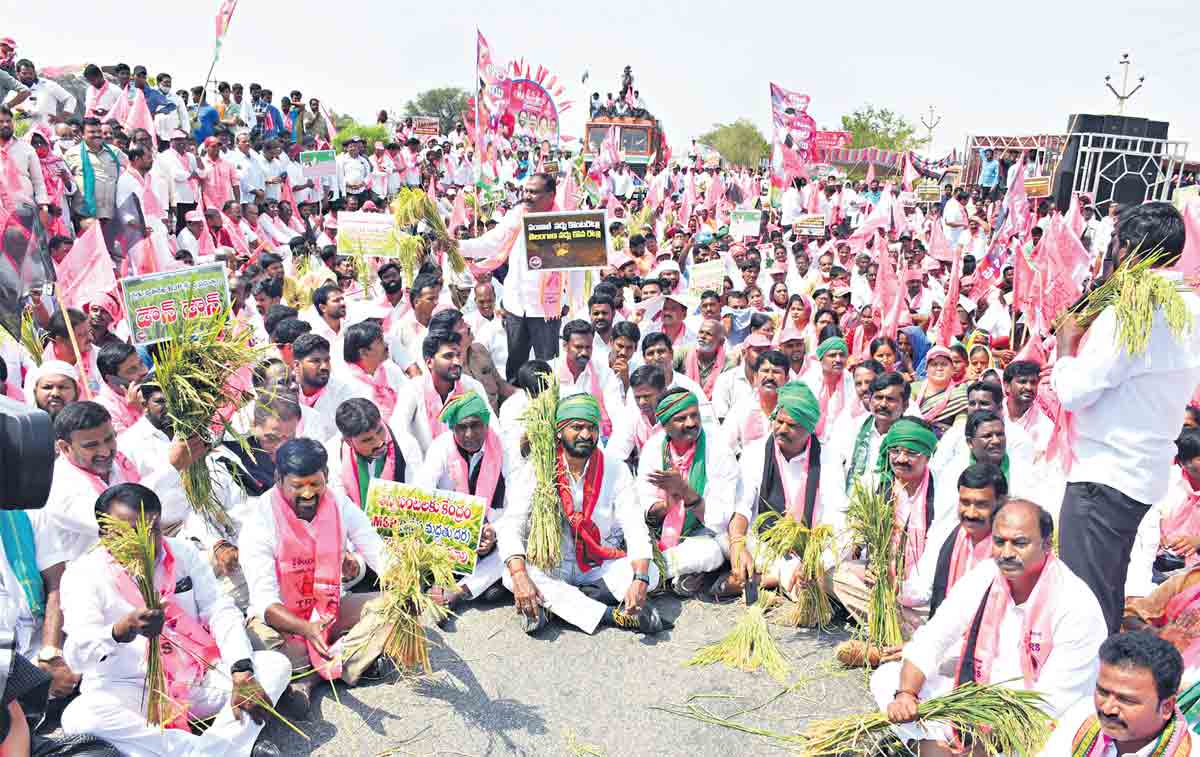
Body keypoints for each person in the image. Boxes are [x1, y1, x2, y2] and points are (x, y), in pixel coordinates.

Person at [1054, 202, 1200, 634]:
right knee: (1106, 591)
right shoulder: (1190, 306)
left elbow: (1074, 391)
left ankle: (1090, 692)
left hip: (1104, 477)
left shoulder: (1132, 311)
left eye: (1116, 246)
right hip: (1142, 474)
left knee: (1085, 604)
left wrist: (1065, 347)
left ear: (1131, 250)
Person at [60, 483, 290, 756]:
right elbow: (76, 657)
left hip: (196, 677)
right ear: (105, 535)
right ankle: (213, 750)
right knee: (79, 717)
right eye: (130, 533)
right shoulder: (81, 575)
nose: (145, 541)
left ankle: (211, 750)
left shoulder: (181, 552)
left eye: (152, 530)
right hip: (132, 687)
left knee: (274, 665)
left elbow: (219, 610)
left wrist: (241, 670)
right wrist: (121, 630)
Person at [873, 500, 1107, 752]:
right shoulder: (986, 574)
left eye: (1019, 543)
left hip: (1032, 723)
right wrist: (906, 695)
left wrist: (984, 744)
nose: (1006, 553)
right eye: (999, 541)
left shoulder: (1076, 603)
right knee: (887, 678)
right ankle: (931, 746)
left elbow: (1052, 703)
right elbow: (933, 638)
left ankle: (927, 747)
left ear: (1047, 544)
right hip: (977, 703)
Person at [240, 438, 396, 717]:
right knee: (260, 645)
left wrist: (404, 582)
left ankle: (309, 678)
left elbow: (375, 550)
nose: (308, 494)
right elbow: (264, 601)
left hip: (330, 610)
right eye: (297, 486)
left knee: (396, 606)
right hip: (283, 625)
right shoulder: (259, 519)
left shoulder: (339, 505)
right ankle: (345, 661)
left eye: (316, 484)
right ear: (278, 480)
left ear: (326, 476)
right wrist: (305, 628)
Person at [497, 394, 666, 634]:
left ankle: (558, 606)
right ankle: (610, 615)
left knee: (651, 572)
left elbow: (635, 526)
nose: (586, 435)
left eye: (591, 428)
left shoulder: (615, 469)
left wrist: (639, 580)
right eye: (577, 427)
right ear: (559, 431)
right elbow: (512, 524)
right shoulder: (538, 469)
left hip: (599, 563)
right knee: (510, 574)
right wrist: (520, 575)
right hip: (553, 563)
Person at [720, 382, 846, 599]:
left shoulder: (829, 457)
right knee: (724, 536)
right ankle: (780, 577)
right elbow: (742, 506)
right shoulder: (755, 452)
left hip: (811, 545)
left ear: (809, 429)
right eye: (779, 421)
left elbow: (836, 515)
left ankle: (765, 579)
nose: (782, 429)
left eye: (792, 425)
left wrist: (816, 560)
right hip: (765, 543)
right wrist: (737, 544)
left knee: (834, 559)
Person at [42, 401, 201, 562]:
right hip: (101, 580)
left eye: (109, 439)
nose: (104, 451)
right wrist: (171, 467)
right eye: (91, 446)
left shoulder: (120, 459)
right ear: (64, 447)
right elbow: (120, 520)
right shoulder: (58, 486)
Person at [833, 417, 939, 635]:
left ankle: (892, 624)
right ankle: (895, 623)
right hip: (879, 585)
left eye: (911, 453)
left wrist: (900, 587)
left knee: (933, 612)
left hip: (920, 593)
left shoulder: (941, 493)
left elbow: (936, 563)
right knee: (833, 573)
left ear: (927, 455)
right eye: (895, 451)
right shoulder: (877, 486)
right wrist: (868, 565)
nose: (901, 459)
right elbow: (853, 535)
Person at [458, 173, 565, 382]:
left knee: (548, 367)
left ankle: (547, 407)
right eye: (526, 190)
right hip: (516, 306)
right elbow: (491, 243)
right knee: (515, 367)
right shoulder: (516, 215)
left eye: (534, 192)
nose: (527, 195)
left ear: (551, 195)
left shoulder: (564, 221)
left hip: (547, 309)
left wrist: (567, 300)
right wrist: (457, 246)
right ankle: (512, 407)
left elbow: (578, 269)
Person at [415, 391, 513, 609]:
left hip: (492, 532)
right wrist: (458, 527)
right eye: (461, 427)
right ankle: (451, 579)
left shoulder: (504, 447)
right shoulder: (441, 446)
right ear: (452, 428)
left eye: (476, 425)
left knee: (517, 544)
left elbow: (515, 505)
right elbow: (423, 493)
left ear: (486, 423)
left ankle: (459, 590)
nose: (469, 434)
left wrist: (493, 532)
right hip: (449, 534)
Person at [637, 388, 738, 598]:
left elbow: (720, 519)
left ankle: (649, 573)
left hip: (705, 532)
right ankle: (674, 576)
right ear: (664, 425)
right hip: (661, 534)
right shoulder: (653, 449)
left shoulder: (717, 447)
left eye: (695, 415)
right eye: (681, 418)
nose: (691, 423)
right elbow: (644, 504)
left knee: (713, 552)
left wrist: (685, 492)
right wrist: (667, 506)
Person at [1037, 631, 1196, 756]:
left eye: (1126, 700)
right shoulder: (1079, 719)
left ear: (1167, 707)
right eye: (1102, 692)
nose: (1107, 709)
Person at [905, 462, 1007, 618]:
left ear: (1000, 503)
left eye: (981, 505)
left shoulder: (1009, 550)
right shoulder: (948, 535)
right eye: (965, 503)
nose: (971, 513)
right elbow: (921, 585)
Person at [833, 371, 912, 493]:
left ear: (905, 405)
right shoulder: (852, 428)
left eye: (890, 399)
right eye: (878, 397)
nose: (883, 404)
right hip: (848, 504)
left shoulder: (911, 437)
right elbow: (834, 469)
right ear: (870, 400)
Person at [339, 321, 408, 421]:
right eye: (380, 342)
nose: (386, 344)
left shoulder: (391, 368)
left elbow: (409, 396)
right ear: (363, 352)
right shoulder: (345, 384)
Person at [93, 341, 147, 434]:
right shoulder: (102, 410)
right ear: (111, 379)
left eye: (141, 363)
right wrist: (142, 410)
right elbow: (127, 445)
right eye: (132, 370)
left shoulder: (153, 386)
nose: (144, 371)